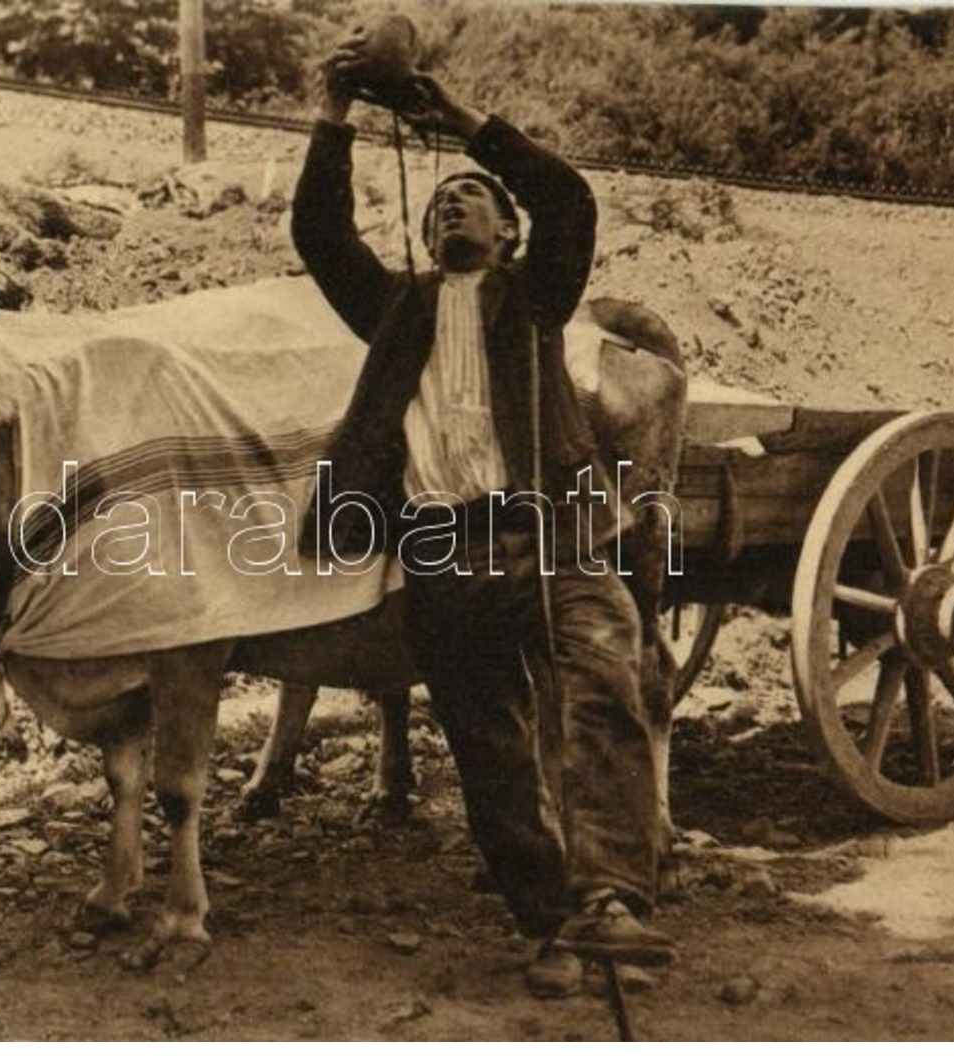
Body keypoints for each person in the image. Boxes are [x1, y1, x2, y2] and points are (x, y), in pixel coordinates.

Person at [292, 37, 674, 998]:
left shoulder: (537, 300)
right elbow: (320, 236)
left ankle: (614, 897)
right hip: (439, 558)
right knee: (489, 753)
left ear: (508, 233)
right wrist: (335, 111)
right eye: (435, 204)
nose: (448, 205)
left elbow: (570, 201)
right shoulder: (395, 310)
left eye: (471, 198)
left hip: (549, 536)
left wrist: (459, 121)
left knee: (602, 680)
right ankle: (550, 921)